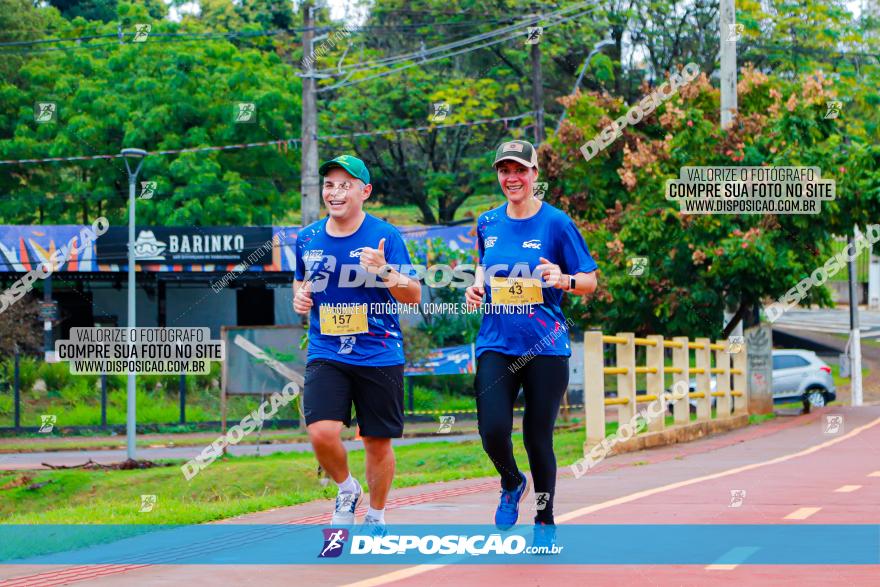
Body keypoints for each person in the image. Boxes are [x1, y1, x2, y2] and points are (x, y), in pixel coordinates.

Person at [465, 140, 599, 548]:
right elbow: (482, 265)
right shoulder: (487, 222)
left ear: (535, 174)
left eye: (520, 170)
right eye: (504, 170)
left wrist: (564, 280)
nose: (512, 178)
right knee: (492, 429)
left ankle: (545, 517)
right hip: (495, 343)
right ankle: (511, 481)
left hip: (546, 347)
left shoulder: (557, 224)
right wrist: (476, 286)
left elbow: (590, 282)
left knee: (536, 437)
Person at [293, 155, 422, 532]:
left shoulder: (386, 237)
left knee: (377, 443)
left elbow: (413, 295)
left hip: (378, 352)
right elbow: (300, 282)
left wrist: (383, 270)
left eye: (345, 184)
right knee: (321, 431)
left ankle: (377, 516)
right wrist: (299, 297)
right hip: (327, 350)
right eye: (330, 184)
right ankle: (347, 488)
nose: (335, 192)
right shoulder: (307, 238)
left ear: (365, 191)